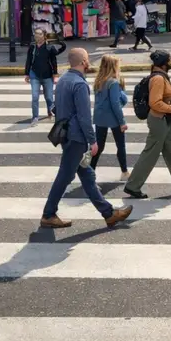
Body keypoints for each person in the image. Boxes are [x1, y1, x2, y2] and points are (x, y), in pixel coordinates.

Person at [41, 48, 134, 229]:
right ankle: (48, 214)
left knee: (87, 175)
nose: (89, 61)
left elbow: (55, 107)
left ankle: (109, 213)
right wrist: (92, 141)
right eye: (87, 58)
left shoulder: (63, 80)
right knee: (65, 176)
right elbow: (84, 117)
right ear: (83, 61)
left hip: (66, 134)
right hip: (76, 137)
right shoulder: (79, 84)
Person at [123, 50, 171, 199]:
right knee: (150, 154)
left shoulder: (161, 76)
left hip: (166, 120)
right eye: (170, 60)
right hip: (159, 120)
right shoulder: (158, 79)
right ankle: (132, 186)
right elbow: (155, 103)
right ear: (164, 63)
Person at [91, 54, 130, 179]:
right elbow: (115, 104)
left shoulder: (98, 81)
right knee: (120, 145)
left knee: (99, 146)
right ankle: (124, 172)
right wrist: (122, 122)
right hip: (113, 117)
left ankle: (90, 171)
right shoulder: (113, 83)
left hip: (99, 116)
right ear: (114, 67)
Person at [24, 29, 66, 125]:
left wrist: (55, 74)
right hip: (34, 75)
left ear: (44, 35)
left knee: (49, 98)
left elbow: (54, 60)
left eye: (39, 34)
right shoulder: (32, 47)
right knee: (35, 97)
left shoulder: (49, 47)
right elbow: (29, 60)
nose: (37, 35)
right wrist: (27, 74)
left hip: (47, 76)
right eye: (36, 33)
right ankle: (35, 117)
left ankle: (50, 111)